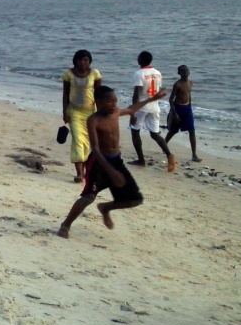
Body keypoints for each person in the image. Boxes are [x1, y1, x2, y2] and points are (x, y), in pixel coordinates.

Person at [57, 85, 167, 238]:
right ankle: (65, 225)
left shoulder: (116, 112)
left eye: (115, 101)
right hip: (98, 163)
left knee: (135, 200)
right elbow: (95, 147)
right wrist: (111, 171)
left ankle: (106, 208)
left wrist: (152, 99)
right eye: (110, 101)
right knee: (89, 197)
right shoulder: (93, 120)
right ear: (99, 102)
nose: (114, 105)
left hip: (116, 161)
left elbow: (131, 109)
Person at [129, 51, 176, 172]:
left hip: (142, 106)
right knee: (155, 134)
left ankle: (141, 160)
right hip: (155, 106)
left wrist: (132, 112)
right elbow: (159, 90)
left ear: (140, 60)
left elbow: (137, 94)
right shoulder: (157, 73)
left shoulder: (139, 74)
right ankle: (169, 154)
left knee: (135, 131)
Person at [62, 50, 103, 182]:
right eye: (80, 60)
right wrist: (64, 112)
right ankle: (80, 174)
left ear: (89, 61)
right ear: (76, 61)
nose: (82, 62)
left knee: (88, 142)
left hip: (90, 111)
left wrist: (100, 113)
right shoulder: (69, 74)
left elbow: (99, 95)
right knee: (78, 140)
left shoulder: (95, 74)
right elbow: (65, 94)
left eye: (85, 60)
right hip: (74, 111)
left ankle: (86, 171)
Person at [165, 65, 200, 162]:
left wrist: (190, 108)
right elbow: (171, 100)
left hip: (187, 108)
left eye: (187, 70)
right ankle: (164, 145)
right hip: (178, 108)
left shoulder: (190, 83)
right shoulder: (177, 84)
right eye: (183, 71)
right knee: (173, 131)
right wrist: (174, 113)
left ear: (189, 72)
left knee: (192, 130)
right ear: (179, 73)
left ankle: (194, 155)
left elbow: (189, 95)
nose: (185, 72)